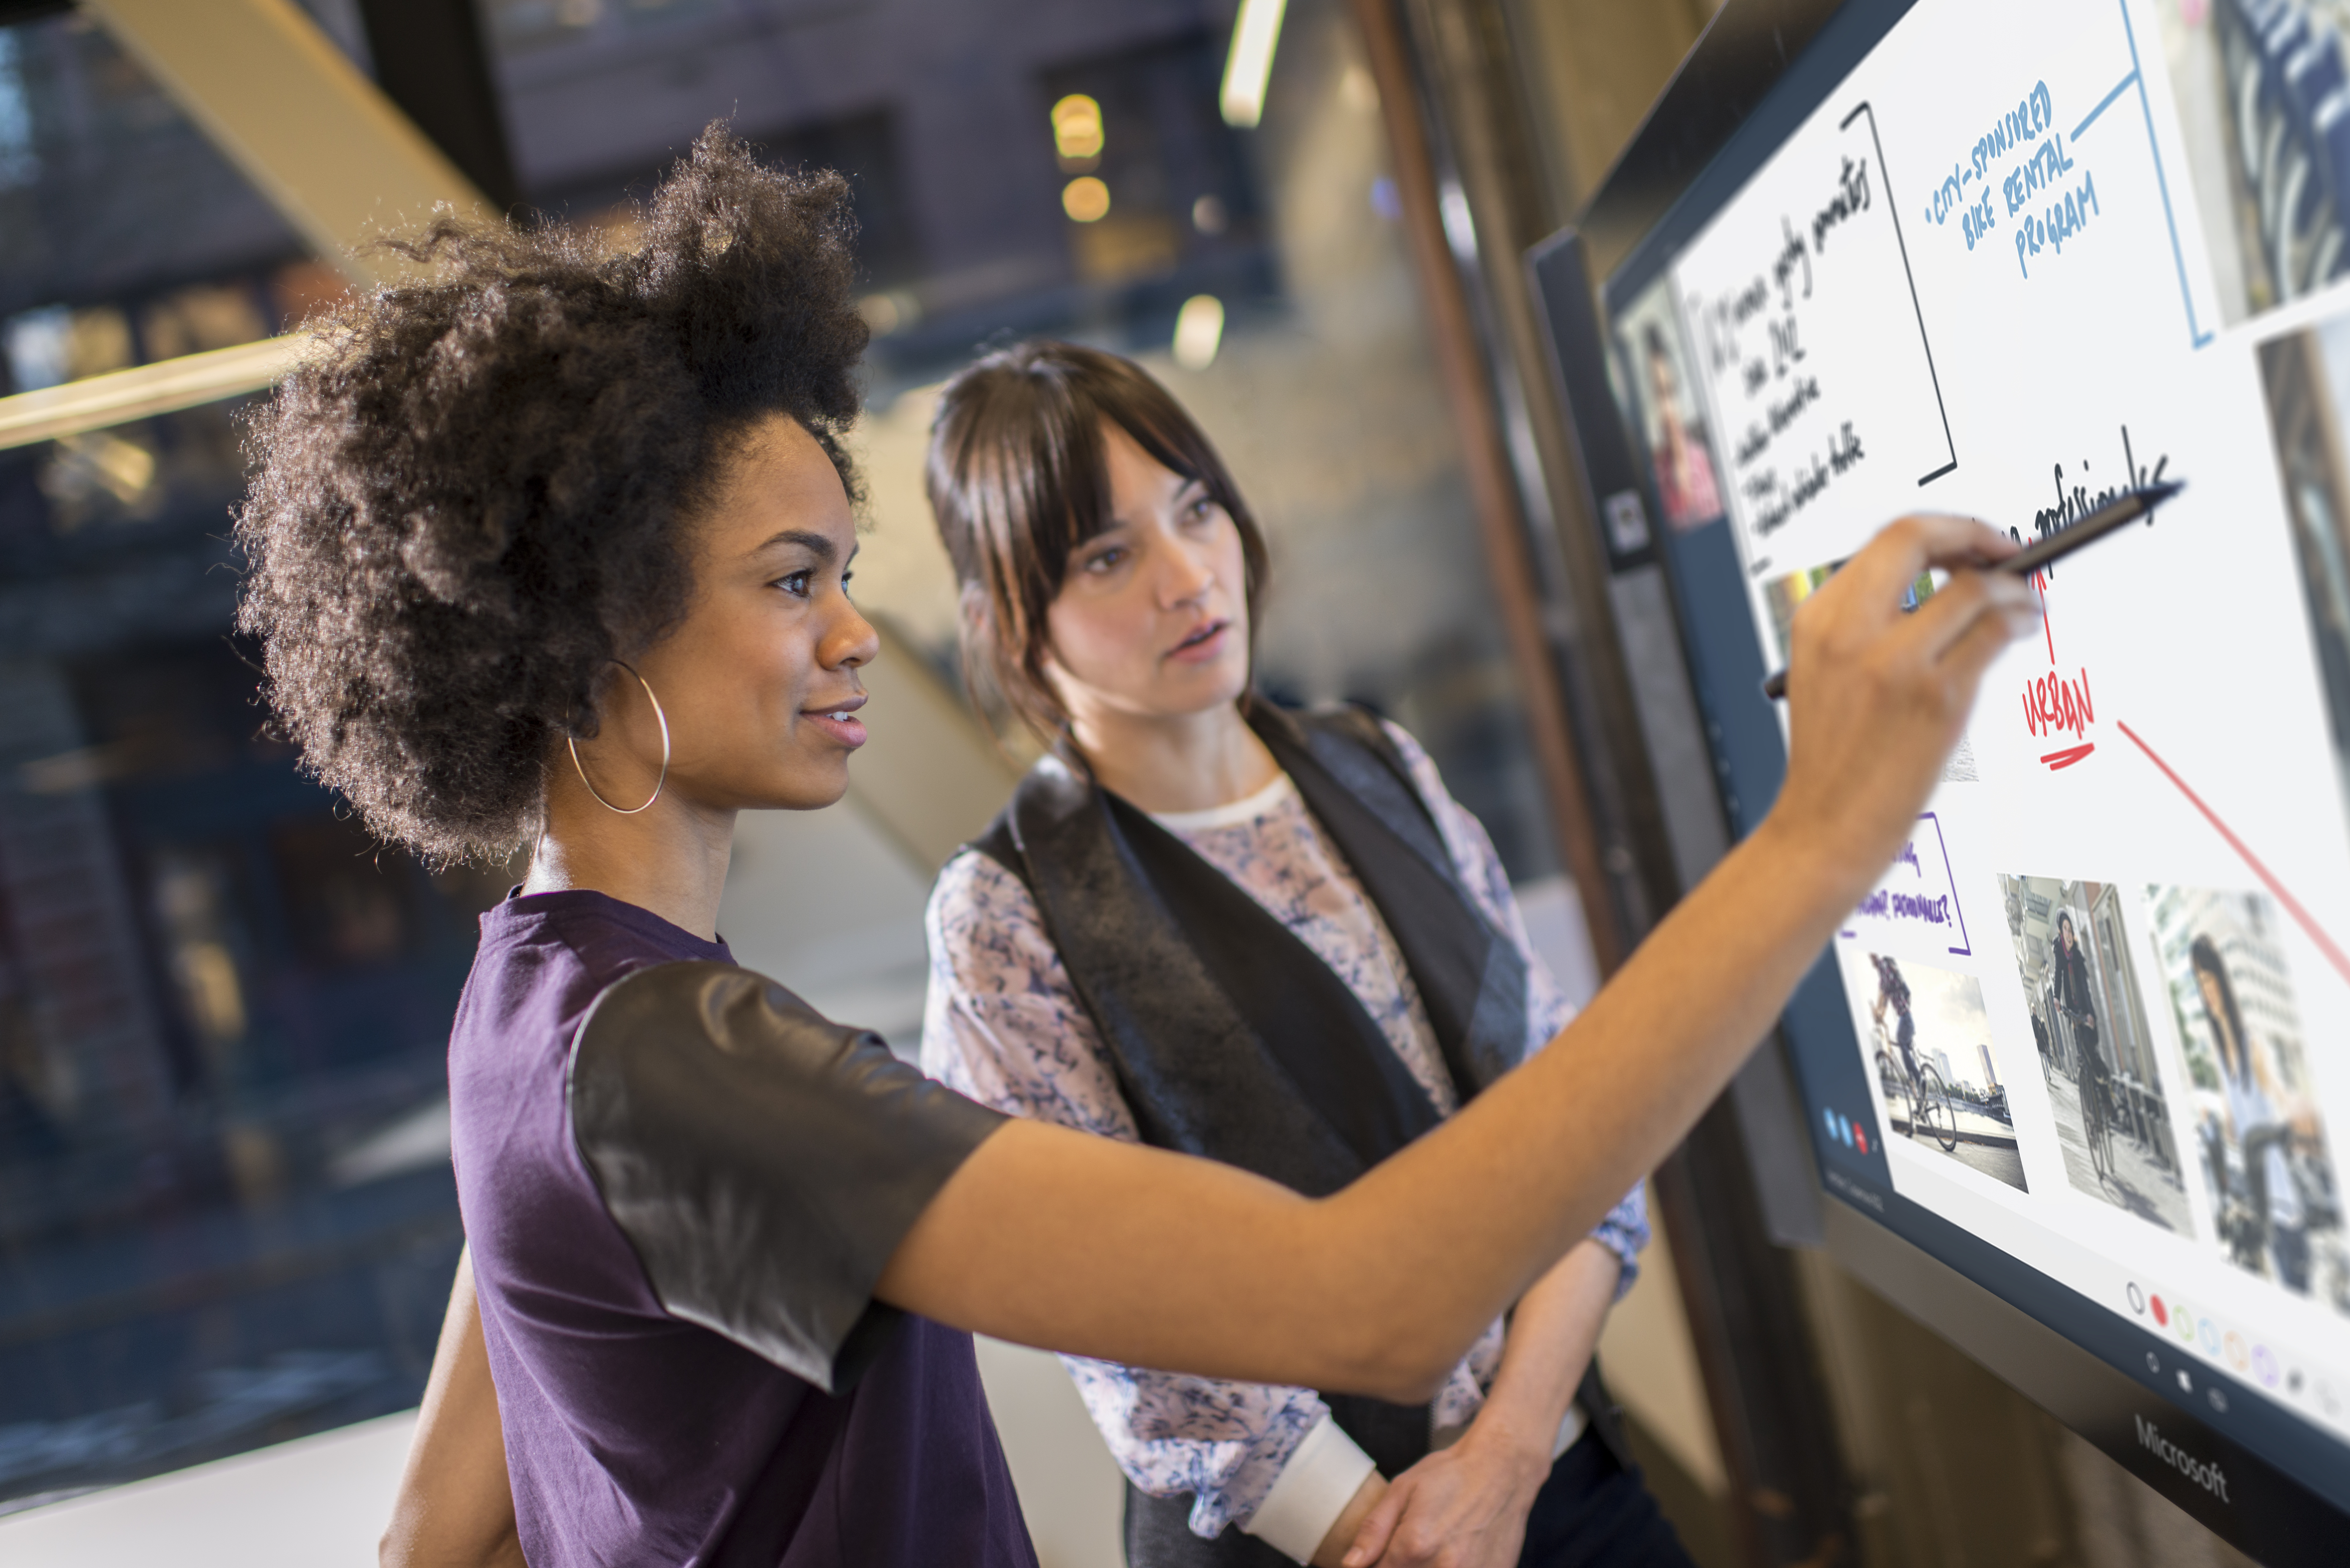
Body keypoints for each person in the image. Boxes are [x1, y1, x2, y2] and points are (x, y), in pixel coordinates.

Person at [248, 130, 2035, 1568]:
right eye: (793, 582)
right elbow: (1371, 1296)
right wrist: (1820, 829)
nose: (853, 631)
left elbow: (438, 1527)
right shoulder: (684, 1062)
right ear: (587, 630)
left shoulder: (530, 1009)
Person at [918, 343, 1673, 1568]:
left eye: (1196, 507)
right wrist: (1412, 1533)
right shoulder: (1006, 914)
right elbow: (1136, 1338)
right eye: (1107, 555)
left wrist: (1513, 1452)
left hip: (1554, 1475)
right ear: (1015, 621)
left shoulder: (1376, 763)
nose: (1187, 575)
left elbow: (1580, 1135)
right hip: (1316, 1540)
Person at [2191, 935, 2313, 1291]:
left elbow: (2279, 1095)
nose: (2206, 991)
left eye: (2209, 979)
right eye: (2200, 984)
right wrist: (2212, 1123)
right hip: (2265, 1210)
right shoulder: (2219, 1054)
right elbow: (2233, 1130)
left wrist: (2296, 1109)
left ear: (2223, 981)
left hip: (2288, 1208)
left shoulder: (2252, 1045)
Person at [1640, 325, 1721, 531]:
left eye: (1671, 392)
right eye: (1658, 396)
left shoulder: (1704, 460)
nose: (1667, 408)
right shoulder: (1652, 479)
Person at [2051, 912, 2107, 1132]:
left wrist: (2090, 1014)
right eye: (2065, 929)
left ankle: (2105, 1101)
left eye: (2070, 929)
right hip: (2073, 1012)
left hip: (2085, 1010)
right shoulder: (2060, 953)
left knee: (2091, 1054)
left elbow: (2086, 988)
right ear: (2060, 932)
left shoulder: (2079, 957)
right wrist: (2056, 997)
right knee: (2080, 1057)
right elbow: (2058, 975)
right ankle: (2091, 1113)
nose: (2068, 933)